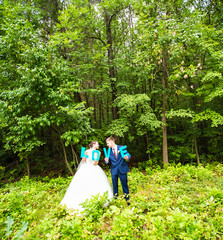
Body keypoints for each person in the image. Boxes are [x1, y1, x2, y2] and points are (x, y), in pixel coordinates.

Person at [60, 141, 113, 213]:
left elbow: (96, 163)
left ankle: (97, 201)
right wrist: (84, 158)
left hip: (95, 169)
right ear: (93, 145)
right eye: (97, 144)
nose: (98, 145)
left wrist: (95, 161)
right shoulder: (86, 151)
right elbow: (84, 161)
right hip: (86, 168)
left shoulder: (99, 153)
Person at [105, 137, 131, 204]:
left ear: (111, 141)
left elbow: (128, 155)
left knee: (124, 185)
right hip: (114, 170)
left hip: (122, 169)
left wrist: (127, 157)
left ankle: (127, 199)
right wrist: (106, 161)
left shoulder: (121, 148)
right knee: (114, 185)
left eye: (107, 143)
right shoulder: (108, 151)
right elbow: (107, 161)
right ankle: (116, 199)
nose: (107, 145)